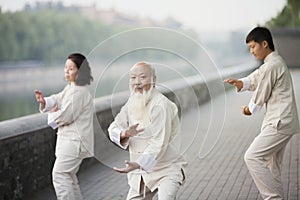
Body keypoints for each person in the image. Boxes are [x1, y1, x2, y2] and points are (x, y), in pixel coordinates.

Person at [224, 27, 300, 199]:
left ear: (264, 44)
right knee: (272, 165)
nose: (251, 51)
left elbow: (261, 94)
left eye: (253, 47)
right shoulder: (273, 63)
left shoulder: (272, 66)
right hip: (283, 121)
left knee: (252, 156)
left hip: (280, 122)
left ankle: (272, 197)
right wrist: (241, 83)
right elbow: (257, 76)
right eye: (249, 48)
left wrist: (249, 109)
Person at [108, 61, 187, 200]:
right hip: (140, 174)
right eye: (133, 78)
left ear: (154, 79)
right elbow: (113, 127)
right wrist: (124, 134)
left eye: (142, 77)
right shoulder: (131, 103)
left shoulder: (161, 105)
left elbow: (159, 142)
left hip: (166, 170)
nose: (137, 82)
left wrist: (139, 163)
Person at [34, 53, 94, 200]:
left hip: (74, 142)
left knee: (60, 175)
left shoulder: (79, 92)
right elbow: (58, 98)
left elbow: (66, 116)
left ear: (80, 71)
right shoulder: (72, 88)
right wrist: (44, 101)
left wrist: (52, 115)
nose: (66, 71)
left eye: (71, 68)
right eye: (66, 67)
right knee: (69, 176)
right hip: (72, 142)